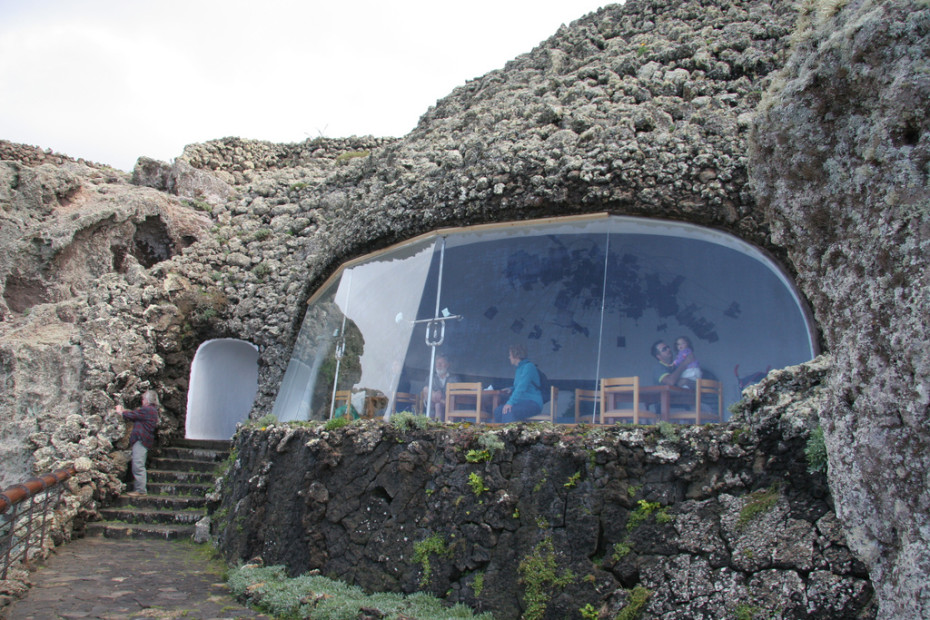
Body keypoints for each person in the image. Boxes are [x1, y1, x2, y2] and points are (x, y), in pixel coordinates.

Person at [116, 389, 160, 496]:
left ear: (148, 400)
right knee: (138, 464)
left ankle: (140, 490)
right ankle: (139, 489)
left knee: (138, 465)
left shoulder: (148, 410)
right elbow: (137, 414)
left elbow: (132, 415)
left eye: (143, 399)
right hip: (143, 440)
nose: (142, 401)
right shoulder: (151, 410)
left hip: (141, 440)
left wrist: (120, 412)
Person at [494, 344, 543, 423]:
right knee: (498, 411)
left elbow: (521, 387)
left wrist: (510, 403)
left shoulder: (529, 367)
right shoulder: (519, 369)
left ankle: (510, 434)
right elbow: (521, 385)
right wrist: (511, 389)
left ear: (516, 355)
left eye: (510, 355)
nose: (509, 357)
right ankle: (500, 433)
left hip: (533, 403)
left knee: (508, 411)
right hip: (522, 402)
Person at [422, 355, 459, 419]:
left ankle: (437, 424)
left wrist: (442, 395)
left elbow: (457, 393)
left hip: (450, 404)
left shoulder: (454, 378)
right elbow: (425, 394)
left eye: (441, 363)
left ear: (448, 365)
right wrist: (436, 393)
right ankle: (442, 401)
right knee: (426, 389)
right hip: (432, 405)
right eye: (437, 363)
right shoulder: (430, 378)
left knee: (438, 405)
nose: (439, 365)